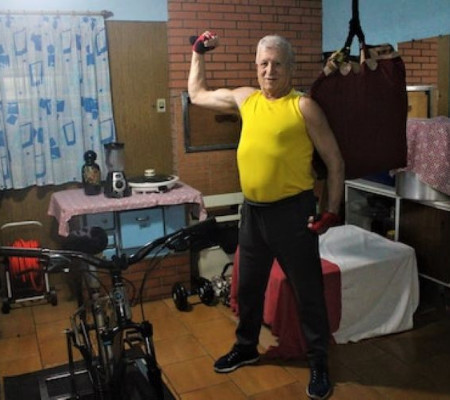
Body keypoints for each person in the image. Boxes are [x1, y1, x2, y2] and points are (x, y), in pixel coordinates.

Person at [188, 31, 344, 400]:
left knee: (308, 292)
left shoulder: (303, 107)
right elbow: (196, 94)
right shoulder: (246, 99)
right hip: (253, 213)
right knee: (248, 288)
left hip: (293, 213)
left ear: (291, 68)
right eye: (263, 64)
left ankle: (318, 361)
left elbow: (335, 161)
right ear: (256, 66)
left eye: (277, 64)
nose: (269, 71)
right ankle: (246, 347)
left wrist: (331, 211)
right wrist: (198, 53)